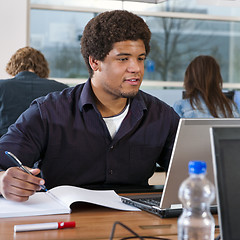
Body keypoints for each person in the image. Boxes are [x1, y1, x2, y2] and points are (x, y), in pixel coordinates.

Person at [0, 10, 179, 202]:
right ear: (95, 62)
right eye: (123, 58)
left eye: (140, 58)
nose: (136, 68)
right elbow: (3, 164)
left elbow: (193, 170)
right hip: (65, 221)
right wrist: (3, 180)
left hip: (136, 222)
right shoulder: (48, 112)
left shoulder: (162, 116)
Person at [0, 46, 68, 136]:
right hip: (48, 147)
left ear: (13, 65)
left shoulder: (2, 86)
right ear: (43, 67)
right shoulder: (61, 89)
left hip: (6, 146)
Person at [173, 55, 240, 118]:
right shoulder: (231, 107)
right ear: (217, 78)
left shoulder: (181, 106)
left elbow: (174, 129)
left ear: (189, 78)